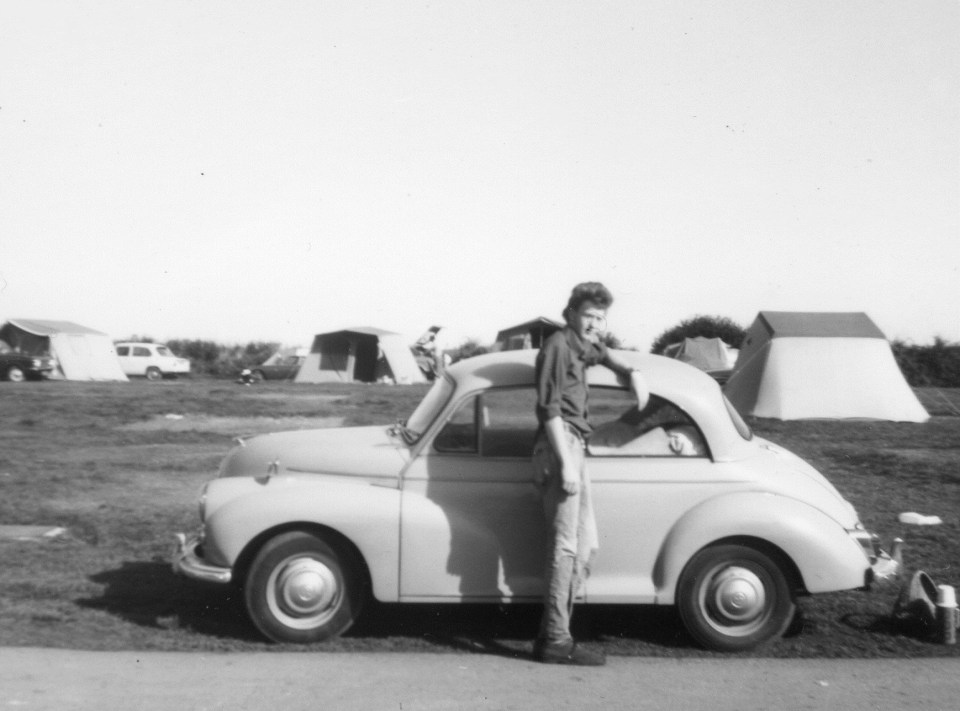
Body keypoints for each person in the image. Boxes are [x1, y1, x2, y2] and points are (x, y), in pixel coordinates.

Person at [531, 281, 650, 666]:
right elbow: (548, 409)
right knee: (565, 547)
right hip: (559, 444)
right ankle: (555, 639)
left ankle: (555, 632)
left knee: (585, 546)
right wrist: (566, 462)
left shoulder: (582, 347)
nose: (594, 323)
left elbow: (604, 353)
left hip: (574, 445)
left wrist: (631, 371)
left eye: (600, 317)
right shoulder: (557, 346)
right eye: (588, 315)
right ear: (570, 313)